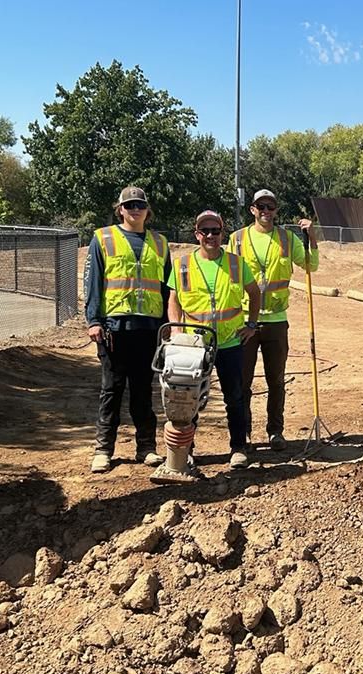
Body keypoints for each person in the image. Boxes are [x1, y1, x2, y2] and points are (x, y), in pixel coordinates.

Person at [84, 186, 172, 473]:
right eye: (129, 205)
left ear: (147, 210)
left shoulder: (160, 243)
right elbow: (94, 282)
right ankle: (103, 449)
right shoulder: (103, 238)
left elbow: (167, 288)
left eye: (140, 205)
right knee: (112, 389)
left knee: (143, 390)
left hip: (148, 328)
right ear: (120, 209)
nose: (135, 209)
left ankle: (146, 447)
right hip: (114, 328)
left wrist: (167, 325)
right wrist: (94, 321)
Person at [227, 189, 318, 458]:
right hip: (244, 321)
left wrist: (312, 236)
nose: (266, 211)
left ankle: (275, 431)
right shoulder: (237, 239)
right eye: (261, 206)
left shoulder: (288, 239)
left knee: (276, 380)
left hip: (277, 321)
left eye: (271, 206)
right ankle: (242, 433)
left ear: (276, 210)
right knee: (242, 382)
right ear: (252, 209)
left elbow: (311, 265)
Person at [167, 210, 261, 470]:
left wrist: (251, 325)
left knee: (235, 397)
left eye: (215, 231)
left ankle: (238, 447)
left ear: (222, 234)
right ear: (197, 234)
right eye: (205, 231)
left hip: (230, 342)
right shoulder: (183, 265)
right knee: (188, 399)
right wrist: (176, 332)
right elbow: (173, 299)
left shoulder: (236, 264)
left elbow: (254, 293)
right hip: (196, 346)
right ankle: (186, 450)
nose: (210, 236)